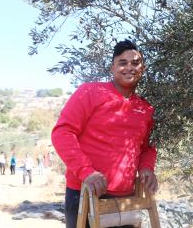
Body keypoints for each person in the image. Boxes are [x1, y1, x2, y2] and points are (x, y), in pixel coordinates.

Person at [51, 40, 158, 228]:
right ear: (112, 67)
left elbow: (146, 148)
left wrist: (147, 168)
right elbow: (62, 133)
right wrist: (87, 172)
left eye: (135, 63)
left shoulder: (145, 108)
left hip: (126, 198)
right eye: (122, 63)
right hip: (84, 193)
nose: (129, 68)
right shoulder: (90, 92)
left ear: (143, 68)